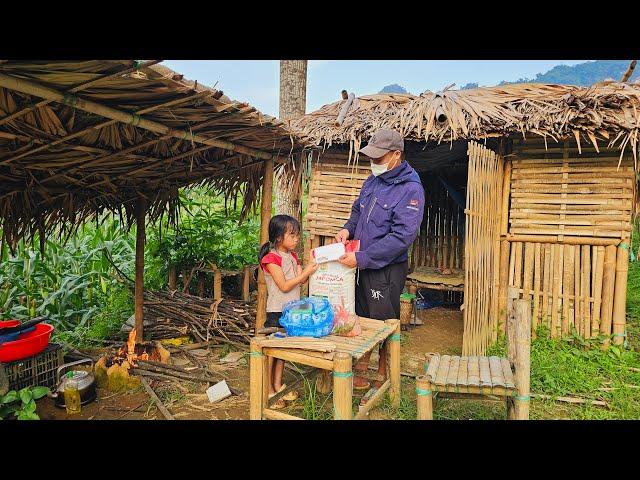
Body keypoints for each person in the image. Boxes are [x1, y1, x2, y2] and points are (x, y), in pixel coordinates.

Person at [335, 129, 425, 396]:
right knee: (361, 315)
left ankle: (385, 373)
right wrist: (347, 230)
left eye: (379, 157)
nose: (373, 162)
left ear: (396, 155)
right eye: (371, 157)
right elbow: (357, 211)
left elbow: (402, 237)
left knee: (384, 320)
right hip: (362, 263)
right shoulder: (372, 181)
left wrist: (362, 257)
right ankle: (362, 368)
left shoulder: (411, 189)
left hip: (385, 268)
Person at [259, 214, 318, 409]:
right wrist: (306, 272)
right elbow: (284, 286)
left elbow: (301, 281)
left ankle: (278, 385)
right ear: (278, 238)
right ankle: (268, 390)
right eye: (292, 235)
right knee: (271, 352)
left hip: (292, 312)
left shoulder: (292, 256)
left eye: (297, 235)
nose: (296, 239)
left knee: (282, 351)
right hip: (277, 311)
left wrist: (309, 270)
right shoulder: (271, 258)